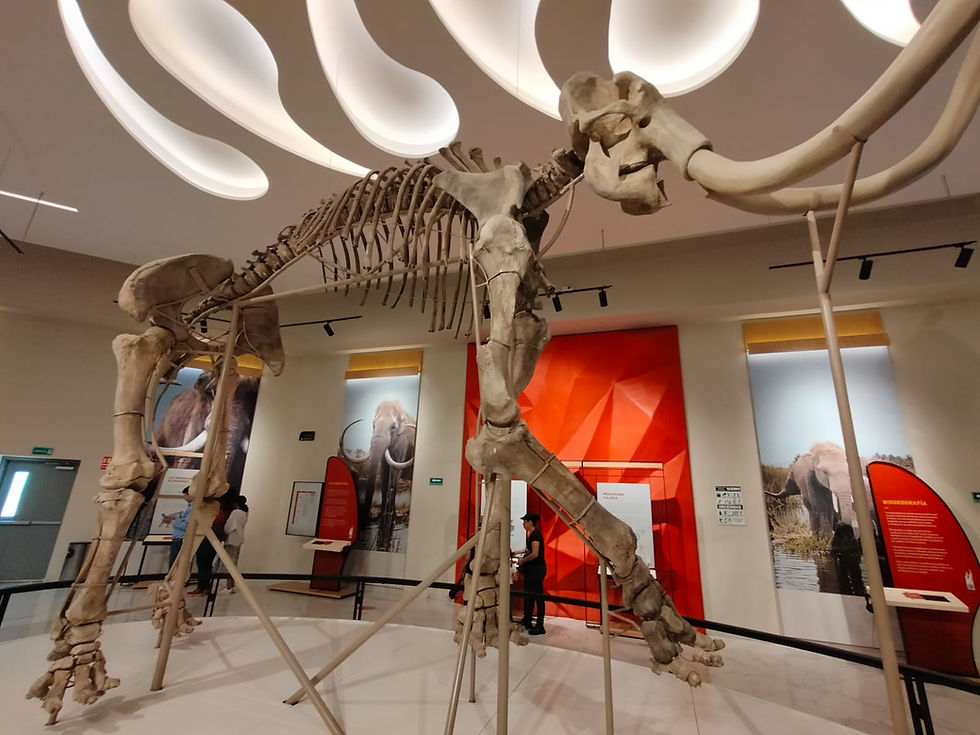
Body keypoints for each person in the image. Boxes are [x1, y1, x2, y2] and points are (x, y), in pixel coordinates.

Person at [188, 488, 233, 596]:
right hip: (206, 540)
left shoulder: (217, 514)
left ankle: (203, 587)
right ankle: (203, 587)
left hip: (207, 541)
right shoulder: (217, 514)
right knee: (203, 564)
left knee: (204, 564)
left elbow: (215, 529)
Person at [516, 511, 547, 635]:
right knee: (529, 595)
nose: (523, 524)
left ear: (530, 522)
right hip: (532, 570)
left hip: (536, 570)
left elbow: (535, 553)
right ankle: (527, 620)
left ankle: (540, 625)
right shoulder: (532, 534)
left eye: (525, 521)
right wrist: (516, 552)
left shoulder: (535, 535)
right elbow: (529, 549)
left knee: (538, 596)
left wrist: (522, 561)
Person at [221, 495, 249, 592]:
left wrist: (223, 532)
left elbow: (230, 526)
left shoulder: (236, 512)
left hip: (232, 539)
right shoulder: (245, 512)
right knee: (233, 562)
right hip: (238, 539)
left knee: (230, 563)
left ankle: (229, 586)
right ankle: (230, 585)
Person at [167, 487, 192, 568]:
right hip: (179, 540)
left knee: (175, 566)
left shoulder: (193, 508)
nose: (184, 498)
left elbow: (187, 526)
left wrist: (171, 521)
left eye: (185, 495)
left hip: (181, 541)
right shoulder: (189, 508)